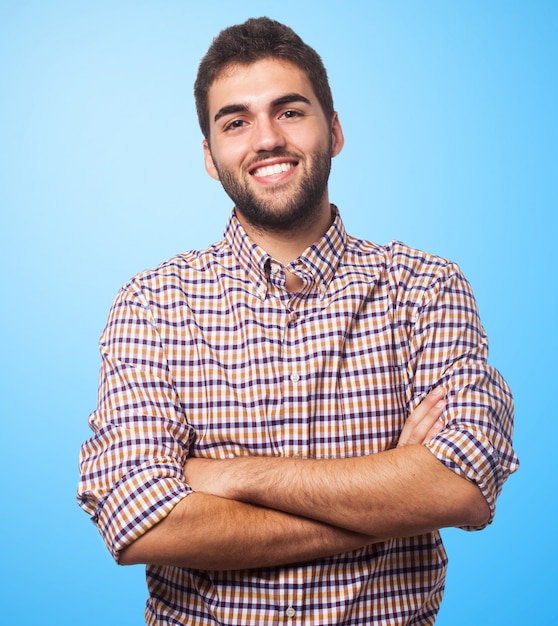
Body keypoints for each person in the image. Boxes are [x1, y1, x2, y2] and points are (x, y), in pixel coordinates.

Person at [77, 16, 519, 625]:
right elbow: (140, 523)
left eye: (290, 111)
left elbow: (460, 485)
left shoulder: (425, 287)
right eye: (236, 122)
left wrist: (232, 476)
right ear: (210, 156)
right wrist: (392, 501)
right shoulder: (153, 304)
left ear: (333, 130)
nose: (266, 139)